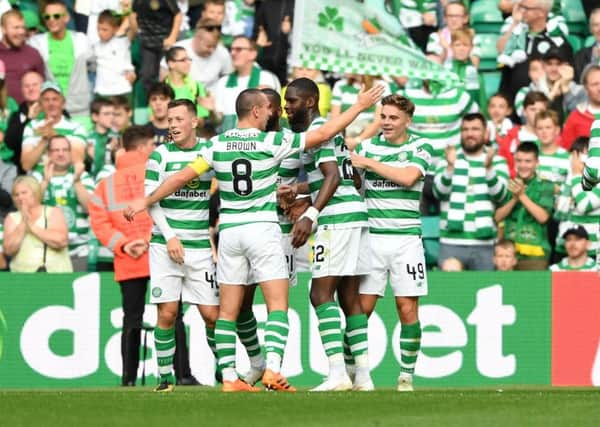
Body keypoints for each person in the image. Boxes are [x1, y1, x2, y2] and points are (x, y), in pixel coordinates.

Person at [124, 83, 385, 392]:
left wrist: (146, 199)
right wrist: (358, 107)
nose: (273, 113)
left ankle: (231, 377)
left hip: (230, 232)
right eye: (267, 109)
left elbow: (182, 176)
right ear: (257, 111)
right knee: (277, 305)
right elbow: (322, 133)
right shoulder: (272, 141)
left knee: (227, 311)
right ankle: (272, 370)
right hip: (262, 229)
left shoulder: (216, 144)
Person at [284, 78, 374, 392]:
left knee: (320, 294)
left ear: (310, 102)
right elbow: (334, 175)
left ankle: (337, 373)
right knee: (350, 297)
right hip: (356, 213)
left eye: (292, 101)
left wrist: (310, 214)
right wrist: (297, 189)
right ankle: (363, 376)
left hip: (336, 218)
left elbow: (332, 176)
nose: (287, 106)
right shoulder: (327, 130)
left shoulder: (318, 129)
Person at [349, 94, 432, 392]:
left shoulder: (420, 147)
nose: (387, 122)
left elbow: (409, 177)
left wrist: (367, 163)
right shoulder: (368, 146)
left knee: (407, 308)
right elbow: (352, 181)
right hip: (371, 238)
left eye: (393, 117)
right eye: (383, 116)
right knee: (361, 308)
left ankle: (406, 377)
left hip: (406, 241)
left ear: (408, 120)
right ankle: (354, 375)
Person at [143, 99, 219, 392]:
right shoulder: (159, 156)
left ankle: (225, 375)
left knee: (211, 316)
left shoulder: (208, 152)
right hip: (165, 245)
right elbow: (151, 201)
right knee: (167, 313)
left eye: (178, 119)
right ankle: (164, 378)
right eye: (170, 120)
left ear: (194, 122)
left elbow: (226, 183)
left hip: (199, 248)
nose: (172, 125)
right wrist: (170, 236)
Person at [88, 125, 155, 386]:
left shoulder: (105, 185)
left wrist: (125, 245)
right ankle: (181, 374)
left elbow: (99, 222)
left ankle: (127, 379)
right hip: (159, 254)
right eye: (151, 145)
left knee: (132, 319)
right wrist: (149, 240)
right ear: (140, 148)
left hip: (128, 259)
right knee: (172, 315)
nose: (154, 149)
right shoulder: (155, 174)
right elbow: (168, 209)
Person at [433, 113, 509, 271]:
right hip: (451, 241)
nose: (470, 133)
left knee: (485, 292)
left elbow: (501, 196)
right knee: (451, 291)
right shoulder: (448, 157)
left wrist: (489, 170)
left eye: (475, 129)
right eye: (465, 129)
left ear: (485, 133)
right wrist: (450, 168)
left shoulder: (497, 160)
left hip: (485, 243)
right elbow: (438, 192)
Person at [400, 78, 478, 215]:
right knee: (414, 226)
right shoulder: (406, 96)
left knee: (451, 220)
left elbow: (477, 122)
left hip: (450, 171)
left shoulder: (459, 95)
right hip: (416, 173)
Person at [31, 135, 94, 271]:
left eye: (65, 150)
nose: (61, 154)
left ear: (70, 153)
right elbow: (30, 207)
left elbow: (91, 208)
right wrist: (45, 182)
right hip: (46, 250)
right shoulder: (37, 176)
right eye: (56, 150)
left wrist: (77, 182)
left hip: (78, 251)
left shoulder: (83, 175)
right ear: (48, 154)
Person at [495, 142, 555, 270]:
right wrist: (514, 199)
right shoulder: (507, 184)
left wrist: (522, 196)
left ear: (537, 163)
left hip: (535, 255)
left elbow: (543, 217)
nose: (523, 165)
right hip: (508, 254)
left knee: (531, 290)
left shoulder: (546, 185)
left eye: (528, 161)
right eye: (519, 161)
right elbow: (497, 217)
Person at [497, 0, 573, 102]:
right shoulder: (518, 32)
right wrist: (515, 23)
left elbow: (564, 75)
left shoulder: (556, 40)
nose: (521, 11)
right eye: (521, 7)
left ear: (542, 12)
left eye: (526, 8)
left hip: (543, 105)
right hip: (511, 101)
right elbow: (501, 49)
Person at [29, 0, 92, 117]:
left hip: (80, 109)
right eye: (47, 17)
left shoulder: (81, 40)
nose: (51, 20)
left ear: (67, 18)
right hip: (50, 110)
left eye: (56, 16)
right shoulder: (36, 43)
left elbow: (94, 65)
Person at [3, 176, 71, 272]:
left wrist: (31, 225)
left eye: (24, 193)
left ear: (35, 192)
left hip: (56, 275)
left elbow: (61, 241)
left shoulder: (53, 212)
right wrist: (23, 222)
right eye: (16, 195)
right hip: (21, 278)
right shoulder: (11, 218)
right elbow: (9, 250)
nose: (20, 197)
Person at [212, 35, 280, 132]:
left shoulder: (267, 78)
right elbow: (218, 120)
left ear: (253, 54)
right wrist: (212, 111)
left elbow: (272, 115)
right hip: (228, 141)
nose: (232, 53)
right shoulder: (223, 82)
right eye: (231, 49)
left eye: (238, 49)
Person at [20, 81, 87, 173]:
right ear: (41, 104)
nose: (51, 103)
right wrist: (44, 141)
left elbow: (78, 160)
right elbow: (26, 165)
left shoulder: (76, 127)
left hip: (67, 177)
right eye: (46, 100)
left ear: (63, 103)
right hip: (39, 178)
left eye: (55, 99)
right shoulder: (31, 126)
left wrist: (53, 135)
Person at [160, 17, 232, 93]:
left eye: (214, 46)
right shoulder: (178, 49)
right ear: (197, 39)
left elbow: (227, 78)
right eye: (208, 46)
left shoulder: (222, 53)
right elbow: (163, 75)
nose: (212, 50)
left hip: (212, 96)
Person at [513, 48, 585, 125]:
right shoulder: (527, 91)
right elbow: (525, 121)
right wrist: (551, 95)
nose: (554, 69)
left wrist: (567, 92)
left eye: (558, 64)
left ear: (566, 66)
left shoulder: (579, 90)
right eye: (549, 64)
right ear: (543, 66)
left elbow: (581, 120)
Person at [130, 0, 182, 94]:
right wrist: (137, 32)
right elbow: (133, 14)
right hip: (147, 43)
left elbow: (178, 15)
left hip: (165, 41)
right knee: (147, 75)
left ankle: (168, 100)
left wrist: (172, 37)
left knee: (166, 75)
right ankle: (153, 101)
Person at [498, 91, 549, 177]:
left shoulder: (552, 139)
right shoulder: (511, 137)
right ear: (524, 111)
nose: (537, 113)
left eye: (541, 110)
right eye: (533, 109)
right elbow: (501, 166)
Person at [0, 9, 45, 104]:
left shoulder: (33, 53)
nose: (21, 32)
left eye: (23, 27)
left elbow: (43, 86)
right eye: (16, 28)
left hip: (29, 114)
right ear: (3, 29)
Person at [3, 70, 43, 174]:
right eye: (27, 86)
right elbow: (10, 143)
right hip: (24, 172)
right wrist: (28, 119)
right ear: (22, 90)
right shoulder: (16, 115)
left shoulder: (55, 111)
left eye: (35, 85)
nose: (31, 89)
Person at [91, 9, 135, 98]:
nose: (100, 32)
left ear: (116, 29)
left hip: (122, 90)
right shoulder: (95, 46)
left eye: (104, 30)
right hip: (101, 91)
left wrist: (127, 8)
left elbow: (132, 24)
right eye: (98, 29)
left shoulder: (122, 41)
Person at [164, 46, 213, 123]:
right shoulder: (161, 88)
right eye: (183, 60)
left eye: (189, 59)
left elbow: (201, 121)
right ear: (171, 64)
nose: (189, 63)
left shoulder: (197, 87)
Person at [426, 1, 480, 67]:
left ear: (465, 18)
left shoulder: (473, 38)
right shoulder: (435, 37)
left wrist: (448, 48)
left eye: (457, 16)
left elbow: (475, 64)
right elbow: (433, 65)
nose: (453, 19)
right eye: (450, 16)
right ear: (445, 18)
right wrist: (445, 51)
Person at [252, 0, 293, 85]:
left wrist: (291, 30)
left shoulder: (300, 5)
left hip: (289, 64)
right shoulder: (266, 4)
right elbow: (256, 31)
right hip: (265, 61)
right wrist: (258, 39)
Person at [561, 65, 600, 150]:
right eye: (594, 84)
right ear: (586, 88)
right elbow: (566, 149)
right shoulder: (575, 117)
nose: (599, 88)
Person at [444, 29, 485, 108]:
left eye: (465, 45)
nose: (461, 49)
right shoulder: (444, 70)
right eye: (457, 45)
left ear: (471, 47)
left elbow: (480, 102)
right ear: (451, 46)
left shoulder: (473, 73)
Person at [87, 98, 119, 178]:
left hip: (112, 179)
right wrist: (88, 157)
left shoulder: (116, 137)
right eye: (106, 114)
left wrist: (115, 152)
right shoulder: (88, 138)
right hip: (92, 180)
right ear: (95, 117)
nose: (111, 117)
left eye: (113, 114)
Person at [573, 8, 600, 83]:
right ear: (591, 29)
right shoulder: (581, 55)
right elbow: (580, 83)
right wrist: (594, 61)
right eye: (596, 25)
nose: (599, 28)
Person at [146, 82, 174, 147]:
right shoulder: (142, 133)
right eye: (154, 99)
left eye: (163, 99)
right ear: (149, 103)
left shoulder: (181, 132)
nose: (158, 103)